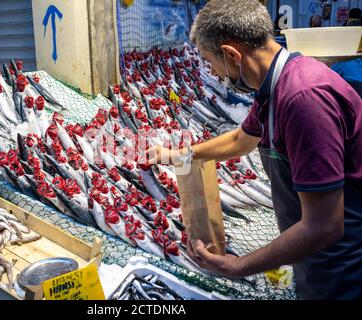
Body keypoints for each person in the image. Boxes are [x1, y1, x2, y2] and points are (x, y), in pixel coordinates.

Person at [148, 0, 362, 300]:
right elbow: (241, 140)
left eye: (211, 63)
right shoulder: (275, 83)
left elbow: (324, 225)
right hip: (313, 258)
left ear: (232, 55)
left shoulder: (304, 99)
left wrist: (237, 266)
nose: (213, 72)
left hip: (343, 270)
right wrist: (181, 155)